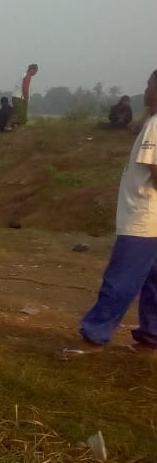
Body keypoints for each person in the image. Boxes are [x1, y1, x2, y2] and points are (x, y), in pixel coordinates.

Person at [70, 70, 157, 355]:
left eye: (149, 85)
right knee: (153, 284)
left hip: (143, 218)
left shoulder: (156, 125)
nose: (145, 91)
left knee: (121, 280)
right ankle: (150, 339)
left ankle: (94, 338)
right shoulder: (151, 121)